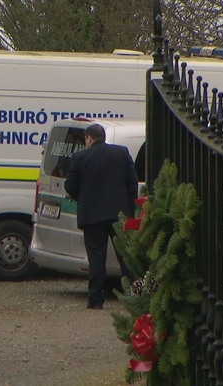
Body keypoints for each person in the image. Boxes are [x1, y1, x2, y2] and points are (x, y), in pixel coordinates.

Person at [64, 123, 137, 309]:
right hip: (118, 213)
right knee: (126, 257)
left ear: (88, 138)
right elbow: (132, 182)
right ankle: (134, 295)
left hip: (92, 215)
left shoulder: (79, 158)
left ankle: (95, 299)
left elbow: (70, 186)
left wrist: (82, 197)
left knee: (96, 258)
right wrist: (128, 208)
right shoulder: (121, 153)